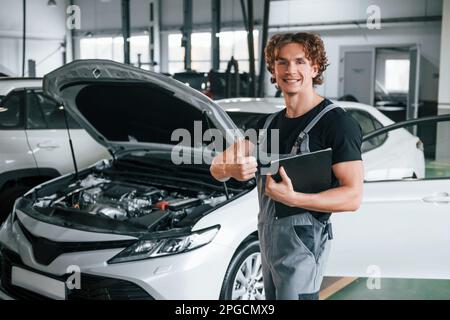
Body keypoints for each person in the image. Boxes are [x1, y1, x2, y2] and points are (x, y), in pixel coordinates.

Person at [210, 32, 364, 300]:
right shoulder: (266, 125)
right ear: (273, 69)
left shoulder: (337, 124)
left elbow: (353, 196)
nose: (290, 70)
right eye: (282, 62)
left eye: (300, 62)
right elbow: (216, 165)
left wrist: (295, 199)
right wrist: (231, 170)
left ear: (315, 68)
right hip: (267, 242)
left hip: (304, 244)